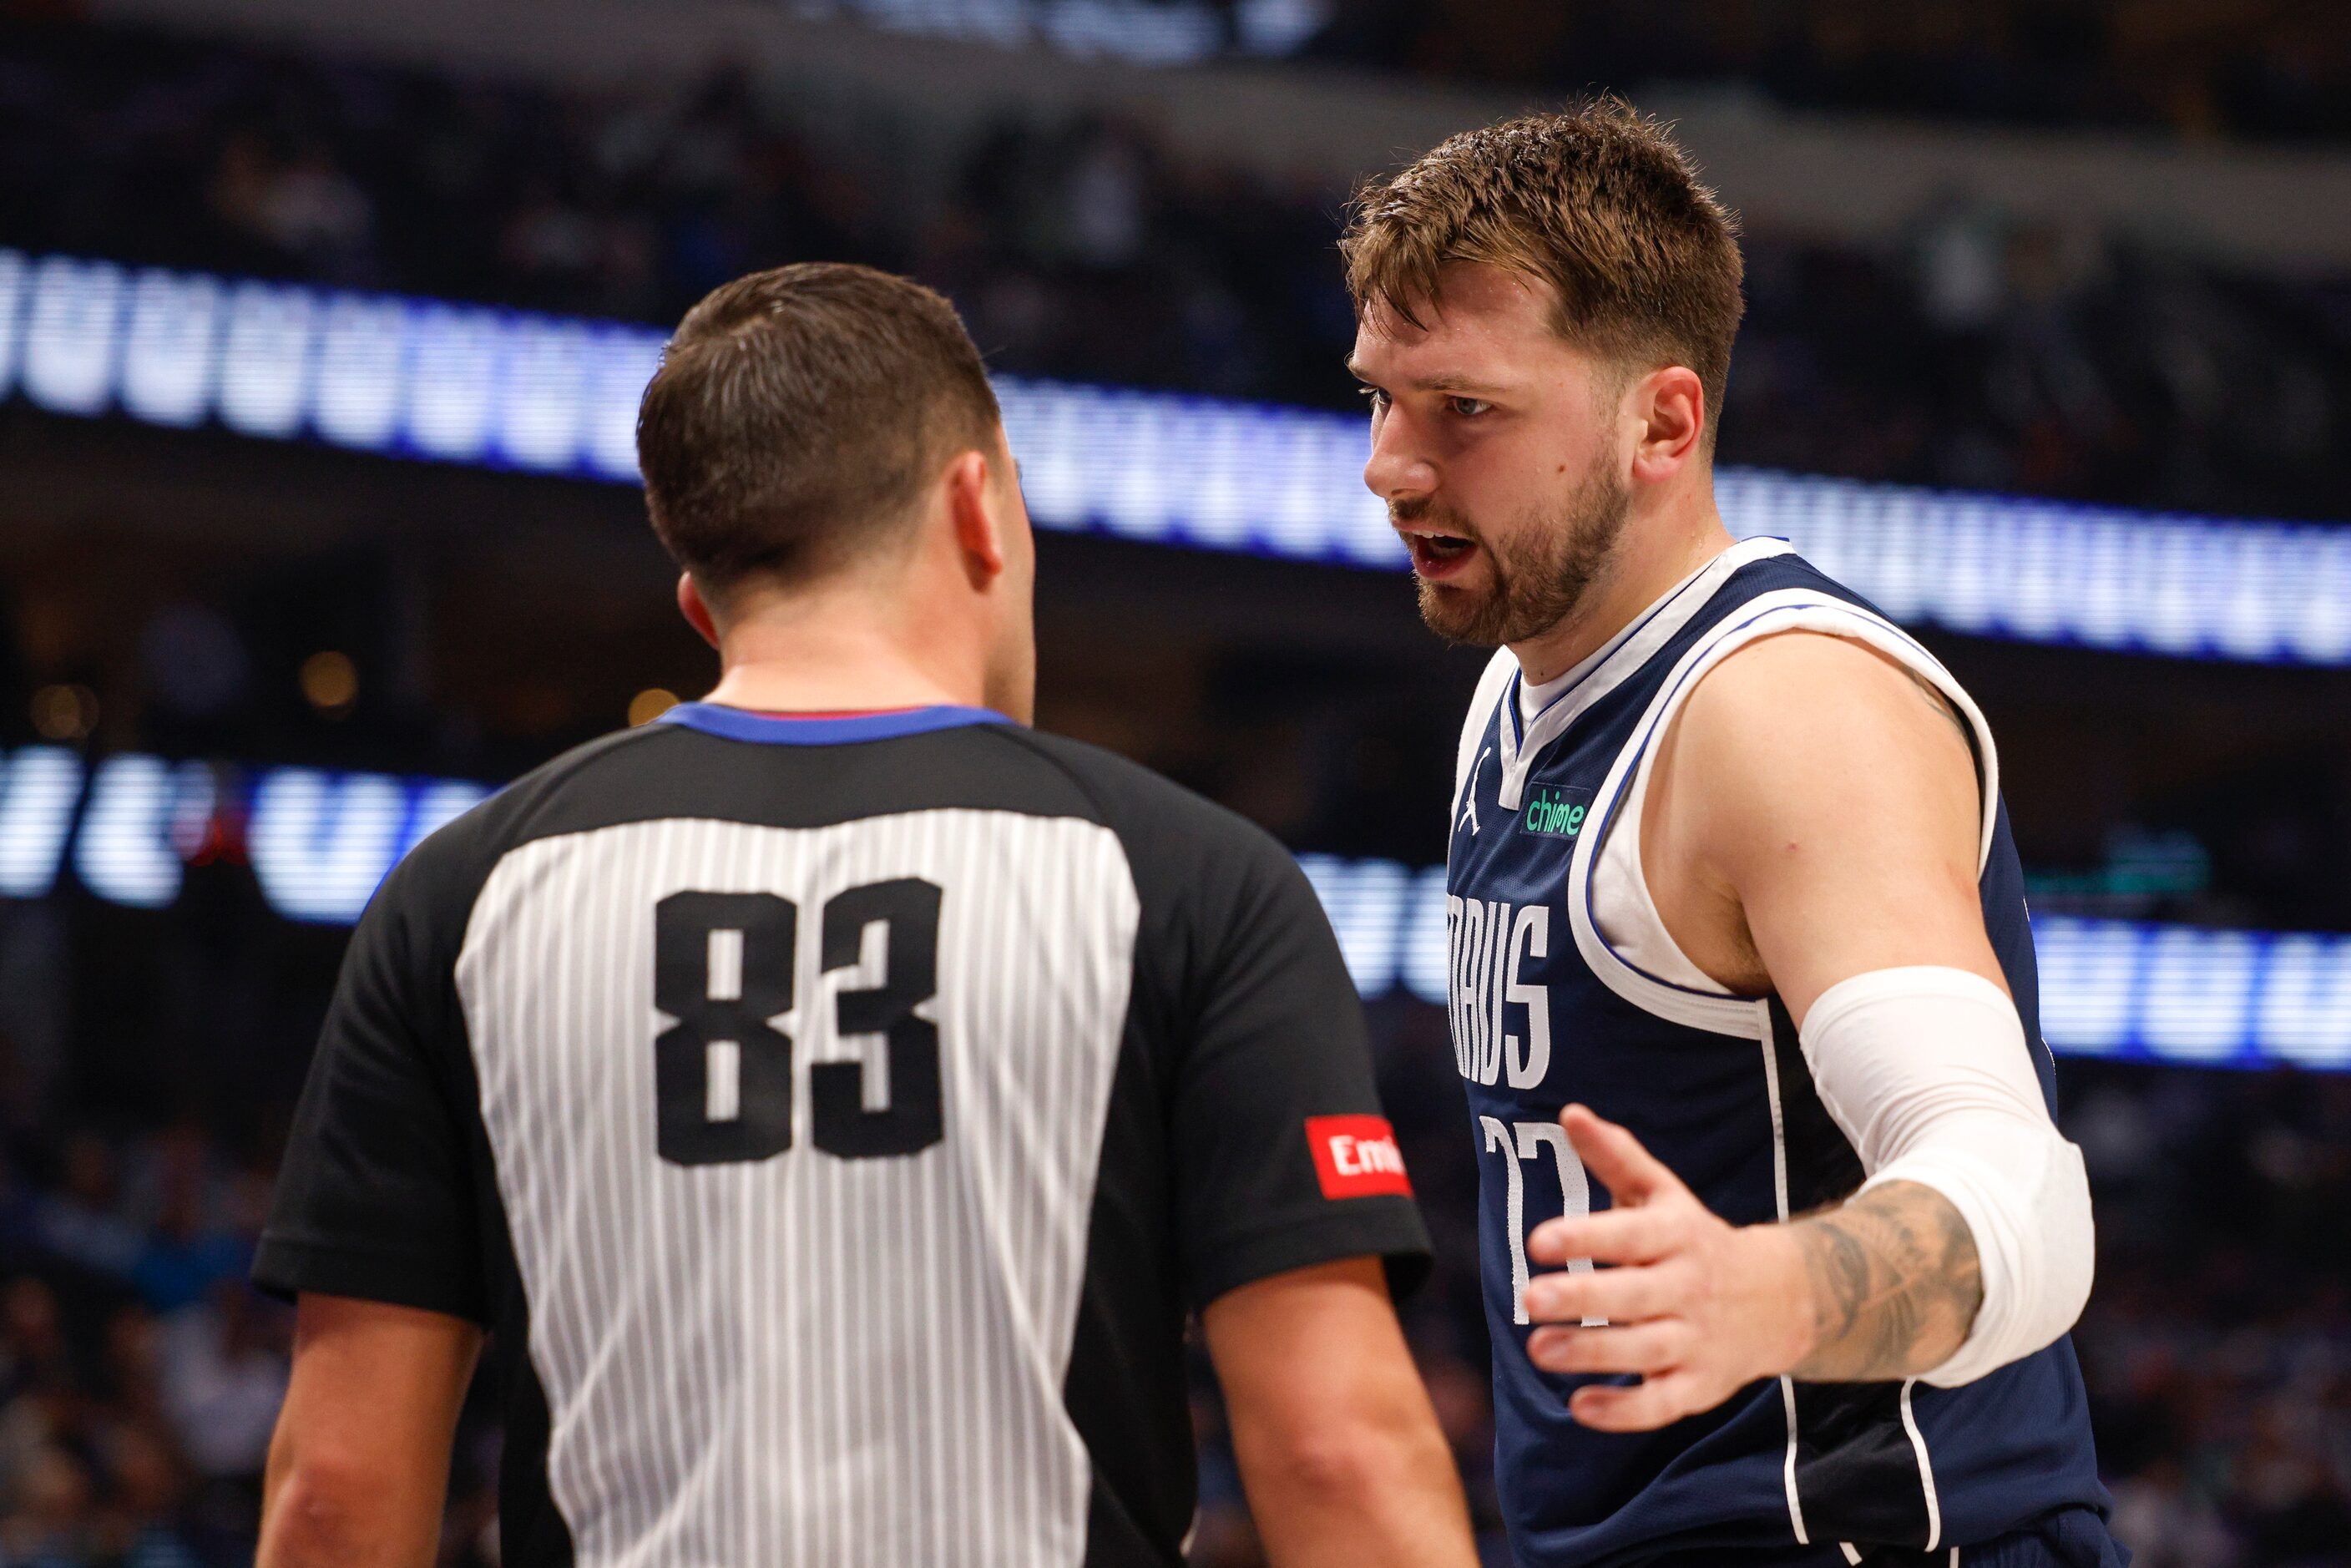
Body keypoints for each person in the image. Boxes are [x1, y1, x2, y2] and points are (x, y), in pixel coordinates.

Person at [250, 263, 1478, 1568]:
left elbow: (334, 1491)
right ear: (978, 506)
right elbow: (1335, 1454)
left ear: (699, 600)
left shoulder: (464, 892)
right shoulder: (1191, 880)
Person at [1343, 104, 2124, 1567]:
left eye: (1466, 410)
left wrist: (1773, 1293)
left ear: (1663, 420)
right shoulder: (1518, 694)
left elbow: (2024, 1195)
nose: (1390, 466)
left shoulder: (1787, 709)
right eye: (1379, 397)